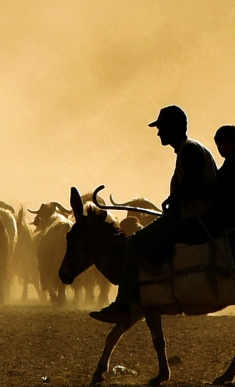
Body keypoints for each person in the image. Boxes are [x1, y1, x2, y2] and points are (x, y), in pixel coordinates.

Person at [89, 105, 218, 324]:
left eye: (162, 128)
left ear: (172, 128)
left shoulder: (189, 150)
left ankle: (124, 305)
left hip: (192, 220)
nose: (159, 133)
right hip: (190, 217)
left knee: (133, 245)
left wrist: (174, 199)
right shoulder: (192, 149)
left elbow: (194, 183)